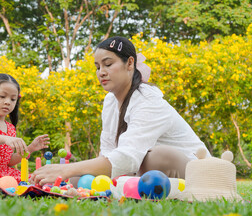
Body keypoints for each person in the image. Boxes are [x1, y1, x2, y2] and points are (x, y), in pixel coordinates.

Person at [31, 36, 210, 186]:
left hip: (195, 173)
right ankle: (124, 187)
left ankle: (129, 186)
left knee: (155, 158)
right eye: (97, 67)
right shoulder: (110, 101)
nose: (101, 72)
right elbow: (108, 152)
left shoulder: (148, 99)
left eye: (108, 64)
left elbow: (128, 157)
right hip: (138, 171)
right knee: (78, 178)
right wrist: (65, 173)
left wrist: (65, 168)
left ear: (130, 63)